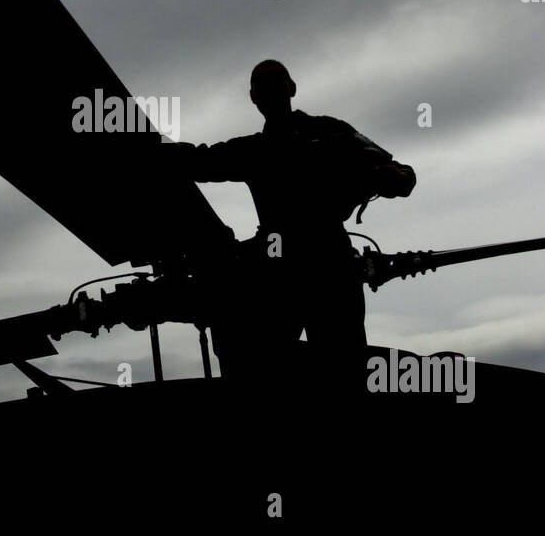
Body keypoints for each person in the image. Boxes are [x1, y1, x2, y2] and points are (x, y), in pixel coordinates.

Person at [167, 60, 416, 387]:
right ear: (254, 97)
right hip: (285, 269)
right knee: (271, 364)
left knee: (341, 364)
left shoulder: (331, 131)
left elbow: (401, 173)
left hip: (326, 264)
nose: (270, 91)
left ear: (291, 88)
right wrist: (148, 153)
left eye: (276, 82)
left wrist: (393, 178)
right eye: (263, 85)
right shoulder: (254, 150)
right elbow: (197, 161)